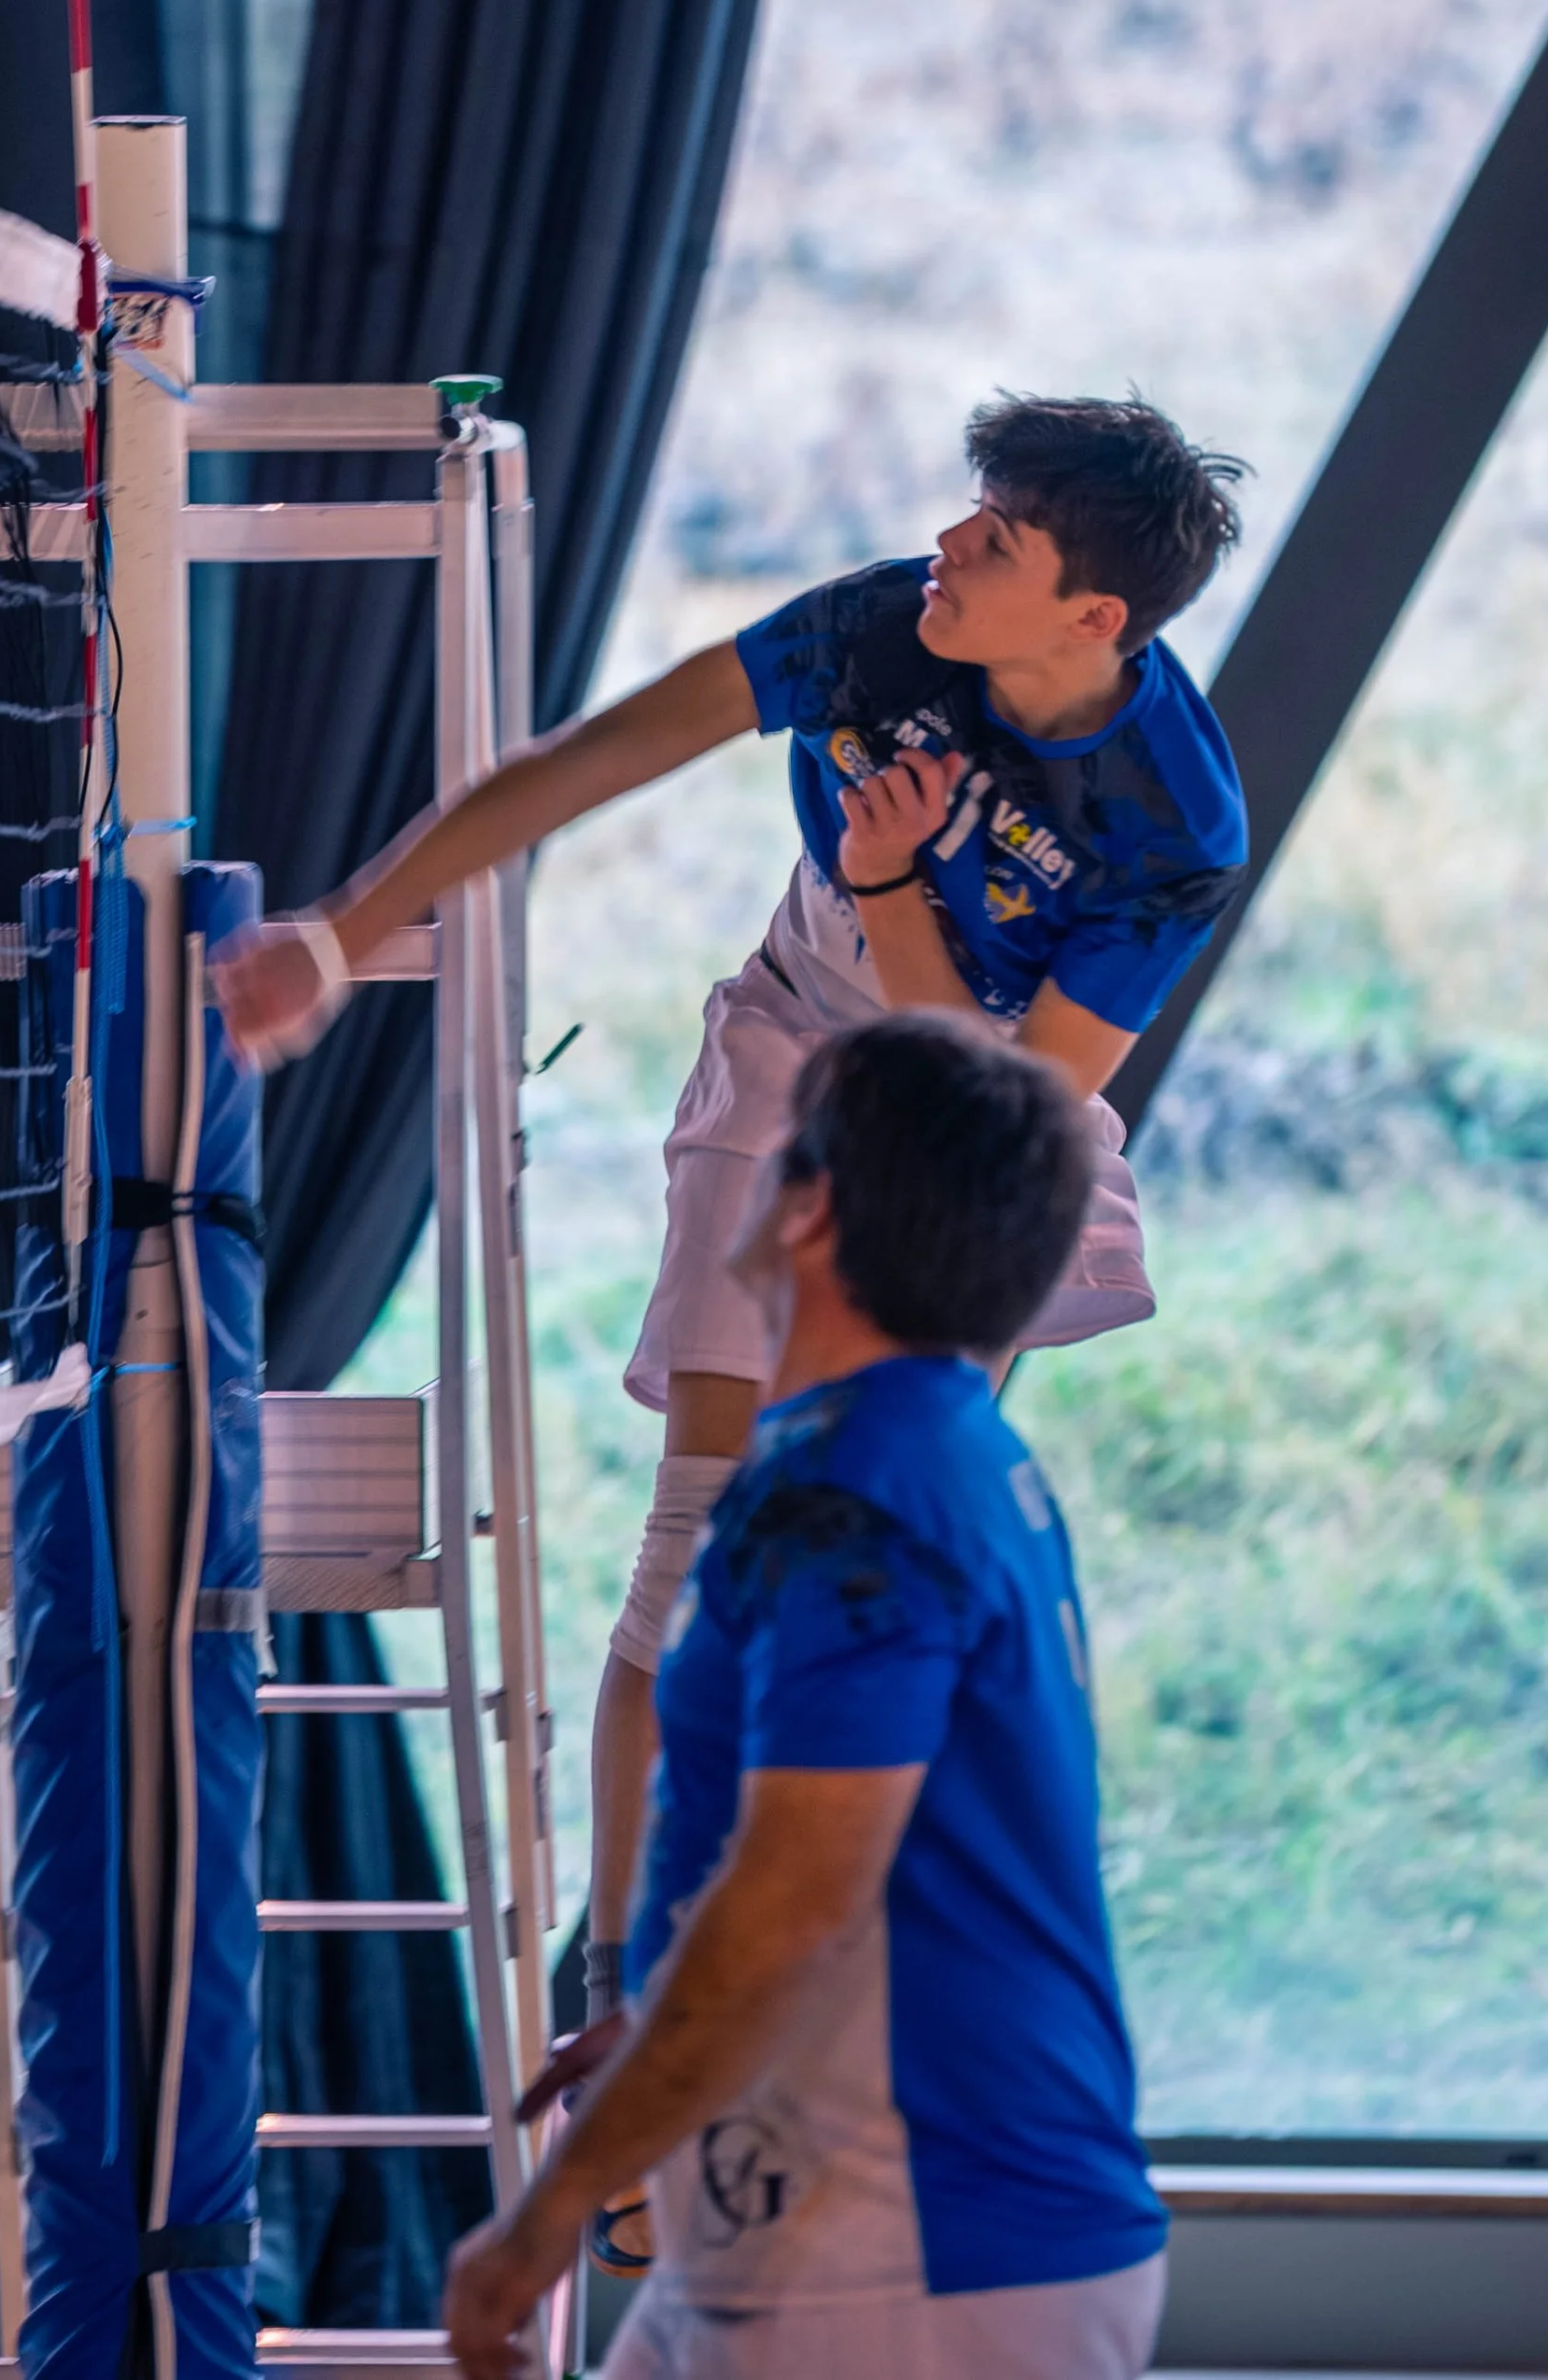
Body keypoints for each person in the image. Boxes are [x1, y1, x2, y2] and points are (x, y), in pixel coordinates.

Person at [214, 392, 1245, 2262]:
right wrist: (344, 933)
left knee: (866, 1542)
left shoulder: (1170, 821)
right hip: (797, 1031)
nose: (947, 549)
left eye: (996, 542)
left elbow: (1004, 1105)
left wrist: (889, 881)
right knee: (691, 1562)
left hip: (985, 1112)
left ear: (1093, 620)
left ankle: (827, 2001)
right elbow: (588, 761)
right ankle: (621, 1992)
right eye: (965, 513)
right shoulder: (878, 631)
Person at [441, 1015, 1168, 2380]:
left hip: (909, 2247)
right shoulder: (932, 1453)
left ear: (813, 1208)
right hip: (857, 2222)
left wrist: (544, 2216)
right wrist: (670, 2019)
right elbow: (881, 1861)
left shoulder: (857, 1493)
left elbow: (792, 1900)